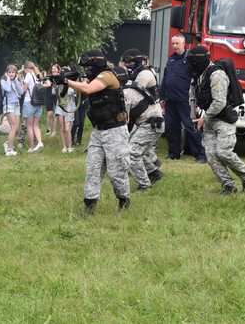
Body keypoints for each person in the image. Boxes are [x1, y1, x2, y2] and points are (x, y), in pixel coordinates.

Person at [66, 50, 131, 212]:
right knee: (92, 168)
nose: (86, 71)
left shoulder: (107, 76)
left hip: (115, 131)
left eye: (88, 67)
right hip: (98, 131)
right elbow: (85, 87)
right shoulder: (94, 77)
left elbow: (88, 89)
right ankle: (90, 205)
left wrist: (66, 81)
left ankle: (124, 200)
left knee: (116, 172)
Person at [187, 46, 245, 195]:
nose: (190, 64)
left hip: (224, 119)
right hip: (209, 119)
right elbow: (194, 96)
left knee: (223, 152)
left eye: (192, 61)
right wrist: (195, 115)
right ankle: (228, 185)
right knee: (211, 156)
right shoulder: (198, 75)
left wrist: (204, 117)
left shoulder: (217, 74)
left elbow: (219, 102)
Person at [121, 49, 164, 191]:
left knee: (132, 153)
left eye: (130, 63)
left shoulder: (144, 74)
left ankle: (144, 185)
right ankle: (154, 173)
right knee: (140, 151)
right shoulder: (134, 77)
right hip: (146, 121)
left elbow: (131, 102)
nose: (127, 66)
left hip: (151, 121)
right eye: (125, 63)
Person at [161, 35, 206, 162]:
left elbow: (197, 78)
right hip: (170, 100)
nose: (174, 46)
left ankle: (201, 155)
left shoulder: (189, 59)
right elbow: (166, 79)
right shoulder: (171, 59)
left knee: (189, 127)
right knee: (171, 127)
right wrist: (162, 96)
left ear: (183, 44)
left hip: (184, 100)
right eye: (173, 43)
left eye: (177, 43)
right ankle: (173, 153)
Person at [50, 66, 77, 153]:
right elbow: (54, 93)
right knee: (62, 127)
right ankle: (64, 146)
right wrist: (56, 85)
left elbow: (71, 93)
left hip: (69, 106)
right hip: (60, 106)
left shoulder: (72, 82)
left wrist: (66, 84)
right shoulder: (58, 82)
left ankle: (69, 146)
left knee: (67, 128)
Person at [0, 65, 23, 156]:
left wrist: (16, 80)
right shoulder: (3, 81)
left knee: (16, 128)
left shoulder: (16, 81)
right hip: (8, 105)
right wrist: (8, 79)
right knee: (13, 126)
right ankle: (9, 150)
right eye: (9, 72)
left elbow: (21, 92)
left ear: (16, 73)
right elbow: (8, 89)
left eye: (13, 72)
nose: (11, 74)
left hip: (16, 105)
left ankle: (7, 143)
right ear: (6, 73)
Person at [21, 61, 43, 153]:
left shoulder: (28, 76)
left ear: (26, 69)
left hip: (29, 102)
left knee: (29, 126)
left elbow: (24, 90)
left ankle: (31, 147)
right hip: (38, 103)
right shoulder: (38, 76)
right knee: (36, 125)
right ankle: (40, 142)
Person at [45, 64, 59, 136]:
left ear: (58, 70)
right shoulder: (49, 77)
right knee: (49, 113)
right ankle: (49, 129)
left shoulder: (60, 77)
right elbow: (47, 84)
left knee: (56, 114)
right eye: (52, 68)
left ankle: (54, 131)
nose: (53, 70)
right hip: (49, 96)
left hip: (57, 97)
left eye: (55, 68)